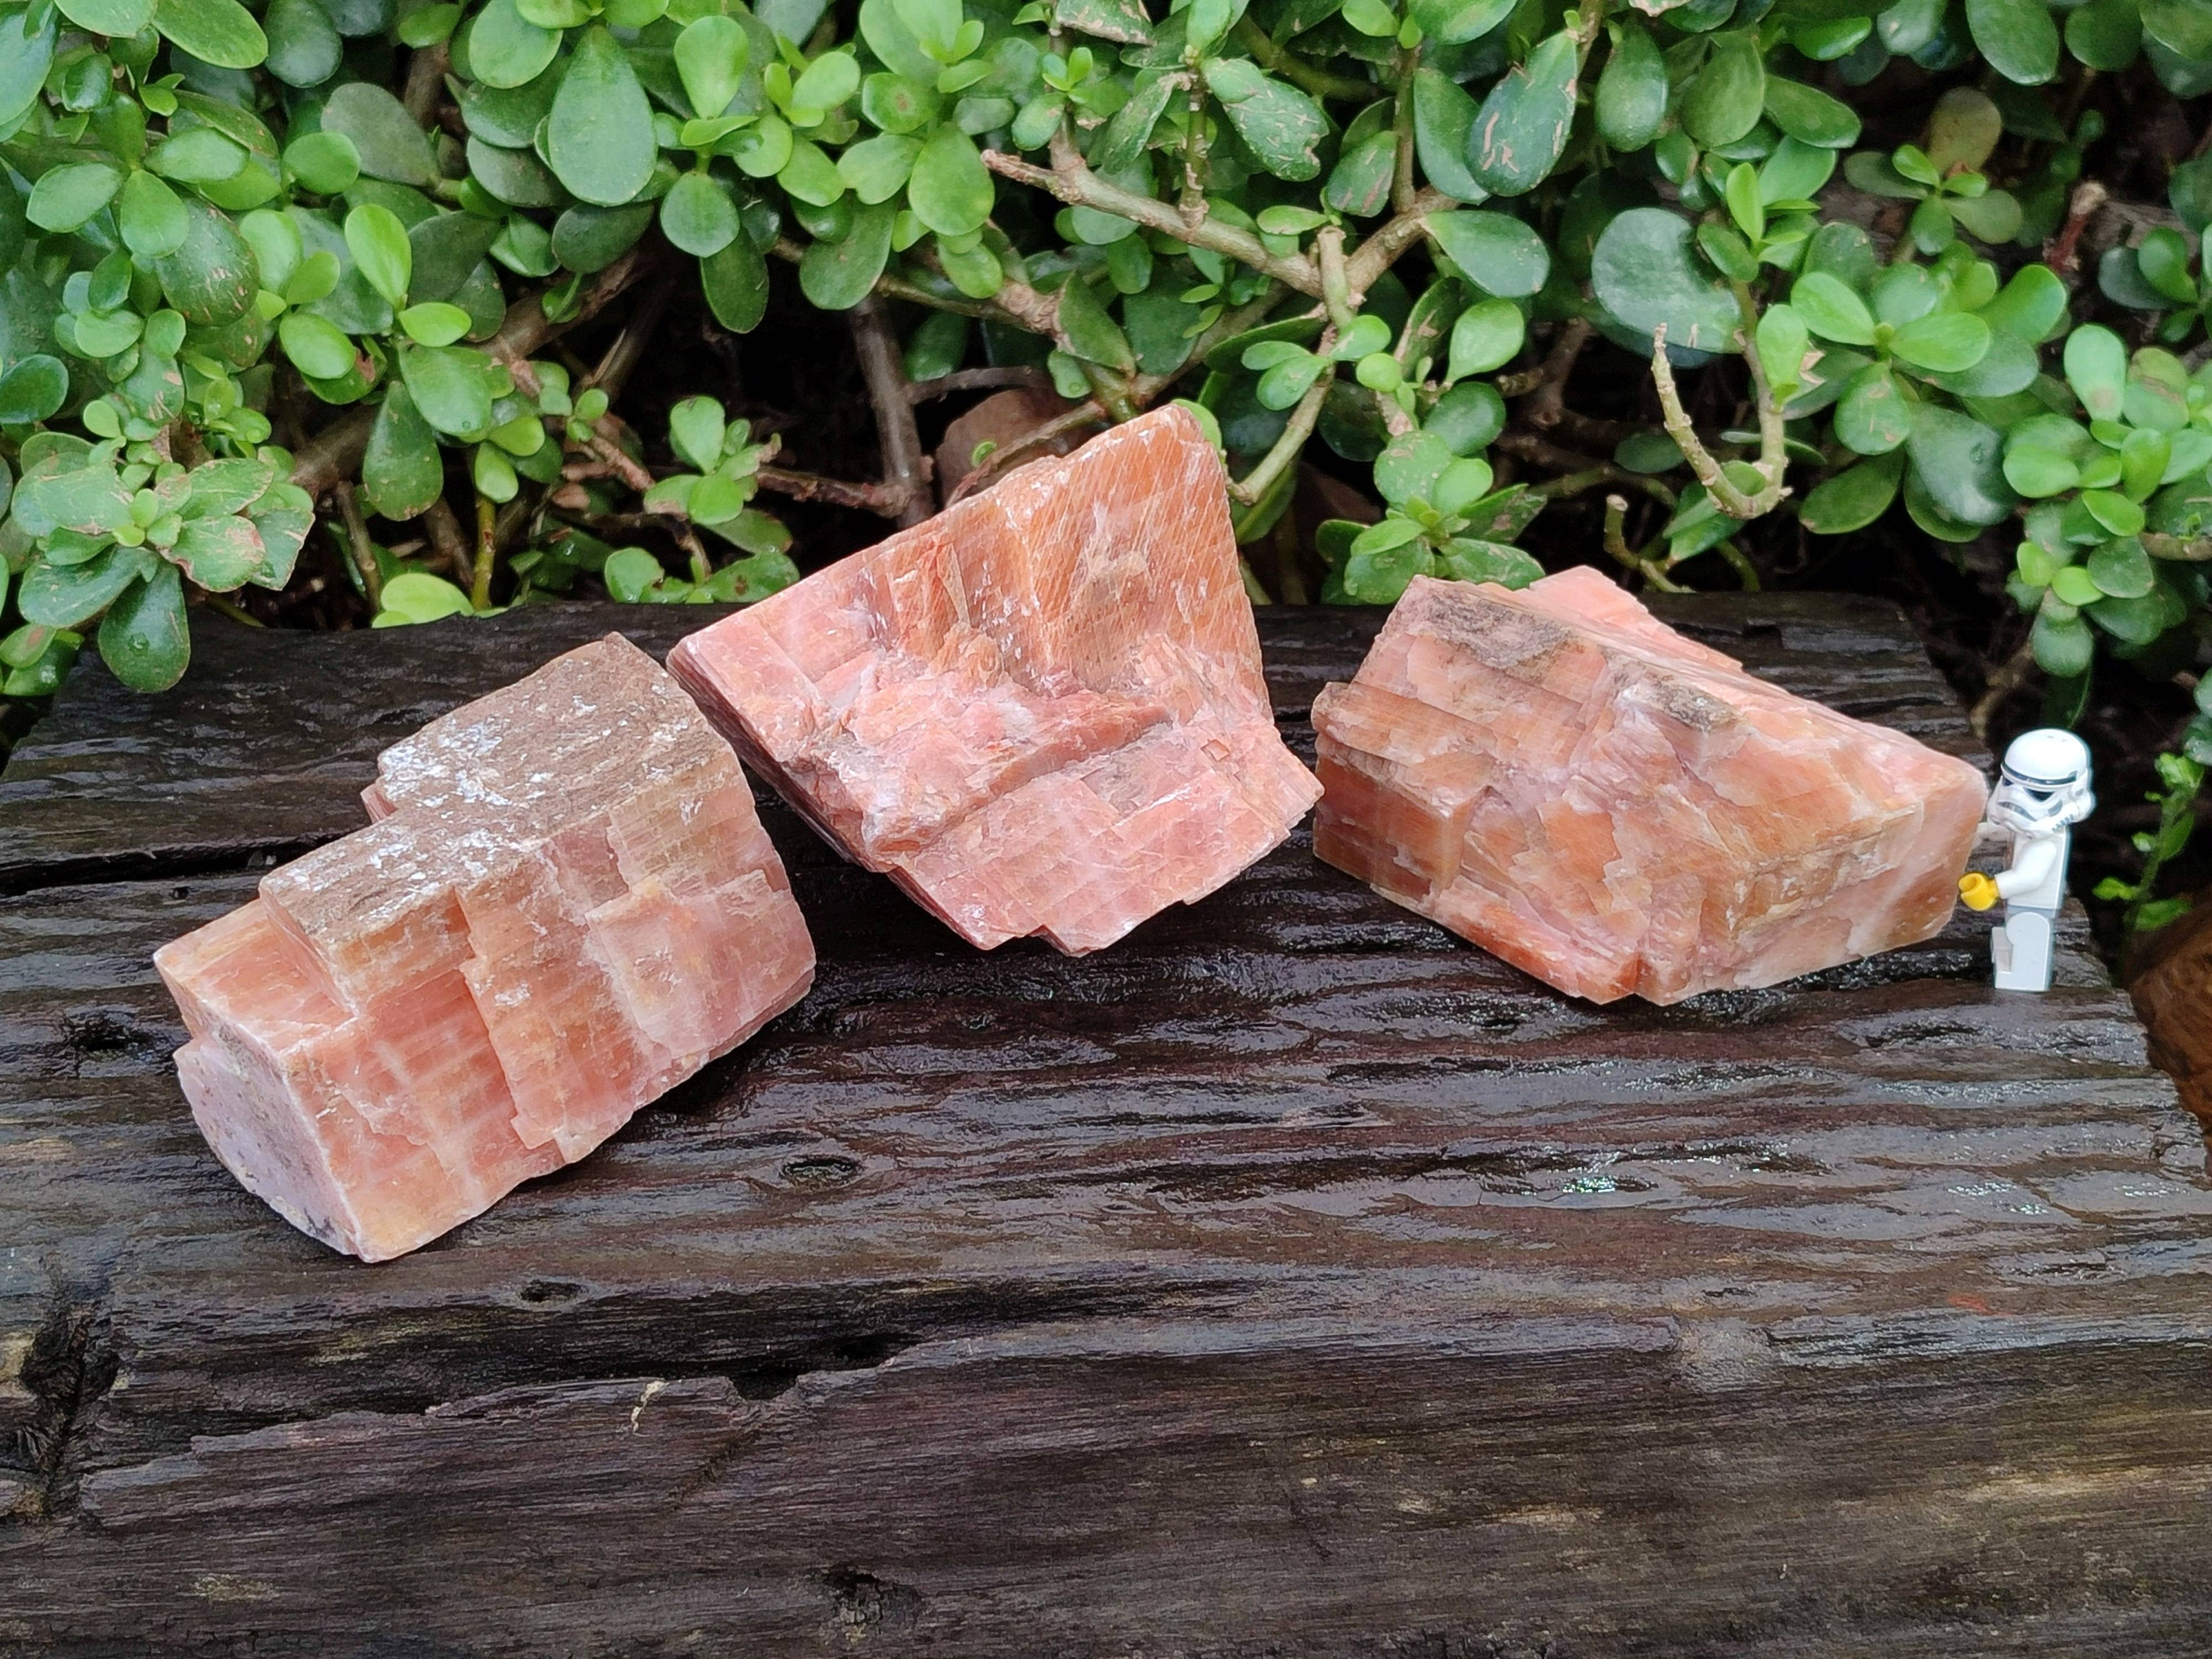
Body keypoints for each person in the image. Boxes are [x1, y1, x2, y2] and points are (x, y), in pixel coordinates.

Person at [1957, 728, 2095, 993]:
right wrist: (1981, 833)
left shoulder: (2046, 843)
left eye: (2039, 794)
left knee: (2027, 933)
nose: (2015, 799)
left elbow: (2030, 877)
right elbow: (2005, 832)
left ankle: (2023, 979)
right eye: (2009, 784)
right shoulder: (2028, 831)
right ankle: (2008, 959)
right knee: (2014, 931)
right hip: (2018, 902)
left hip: (2033, 906)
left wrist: (1992, 889)